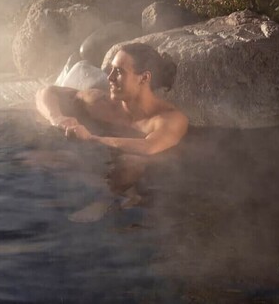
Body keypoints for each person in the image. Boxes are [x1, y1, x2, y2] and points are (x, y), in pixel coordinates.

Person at [34, 43, 188, 220]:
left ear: (144, 78)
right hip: (97, 158)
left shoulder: (169, 119)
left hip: (149, 174)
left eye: (119, 72)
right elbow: (46, 92)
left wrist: (91, 138)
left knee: (135, 161)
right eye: (111, 70)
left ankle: (108, 200)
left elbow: (149, 147)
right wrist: (57, 118)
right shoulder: (101, 102)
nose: (110, 77)